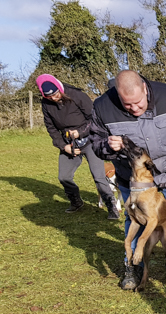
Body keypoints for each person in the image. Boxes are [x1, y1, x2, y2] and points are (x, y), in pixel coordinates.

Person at [89, 70, 166, 289]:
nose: (134, 109)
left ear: (145, 88)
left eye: (137, 102)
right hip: (132, 177)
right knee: (131, 217)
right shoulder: (102, 107)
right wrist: (107, 147)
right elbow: (95, 142)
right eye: (127, 105)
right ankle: (132, 265)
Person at [36, 74, 119, 218]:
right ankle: (76, 201)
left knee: (99, 176)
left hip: (90, 140)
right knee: (64, 176)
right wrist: (64, 146)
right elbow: (51, 129)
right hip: (69, 143)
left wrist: (80, 132)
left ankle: (111, 206)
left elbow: (94, 119)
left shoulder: (77, 95)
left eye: (56, 94)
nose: (54, 98)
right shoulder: (46, 104)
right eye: (49, 97)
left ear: (59, 88)